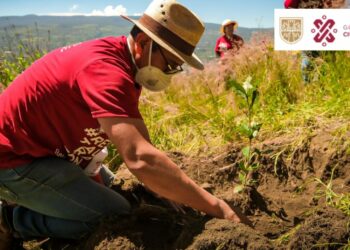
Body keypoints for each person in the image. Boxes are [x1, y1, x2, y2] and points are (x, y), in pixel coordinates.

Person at [0, 0, 250, 248]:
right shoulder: (106, 72)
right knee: (114, 215)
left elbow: (106, 136)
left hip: (48, 151)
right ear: (143, 43)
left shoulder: (126, 65)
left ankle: (39, 201)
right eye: (171, 64)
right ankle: (12, 220)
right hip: (12, 160)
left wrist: (165, 186)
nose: (172, 72)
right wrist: (216, 206)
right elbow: (141, 158)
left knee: (111, 192)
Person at [284, 0, 347, 83]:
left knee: (326, 62)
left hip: (326, 28)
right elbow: (288, 4)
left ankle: (323, 87)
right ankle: (310, 88)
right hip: (311, 30)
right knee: (309, 63)